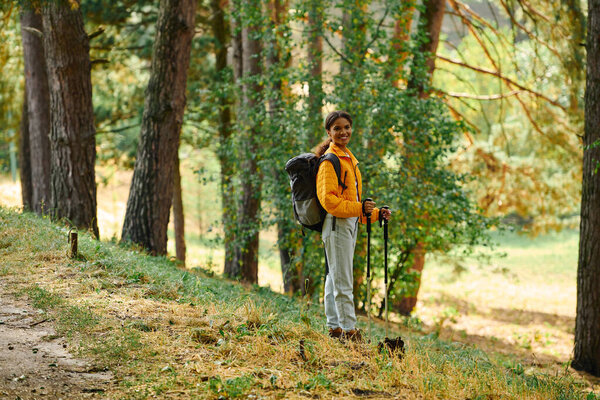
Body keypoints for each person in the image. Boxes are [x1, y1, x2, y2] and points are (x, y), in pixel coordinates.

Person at [314, 110, 392, 342]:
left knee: (334, 278)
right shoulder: (330, 161)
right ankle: (349, 331)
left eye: (346, 127)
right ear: (329, 132)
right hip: (337, 225)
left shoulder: (348, 158)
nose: (343, 132)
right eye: (337, 128)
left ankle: (335, 328)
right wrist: (360, 208)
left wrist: (376, 213)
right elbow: (329, 202)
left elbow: (353, 202)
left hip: (347, 224)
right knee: (343, 280)